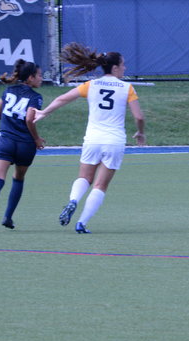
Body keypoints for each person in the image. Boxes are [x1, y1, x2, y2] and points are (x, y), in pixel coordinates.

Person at [34, 43, 145, 234]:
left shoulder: (91, 85)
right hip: (114, 141)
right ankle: (81, 223)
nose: (125, 68)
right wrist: (140, 132)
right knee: (100, 185)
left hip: (92, 139)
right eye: (123, 65)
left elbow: (62, 98)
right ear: (115, 68)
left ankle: (73, 200)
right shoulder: (127, 88)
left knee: (84, 177)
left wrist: (44, 112)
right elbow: (139, 117)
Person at [0, 59, 45, 233]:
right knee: (18, 178)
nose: (41, 78)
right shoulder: (35, 97)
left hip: (6, 141)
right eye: (39, 75)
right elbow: (29, 119)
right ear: (31, 78)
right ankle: (8, 217)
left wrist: (7, 119)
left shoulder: (8, 91)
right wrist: (37, 139)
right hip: (25, 144)